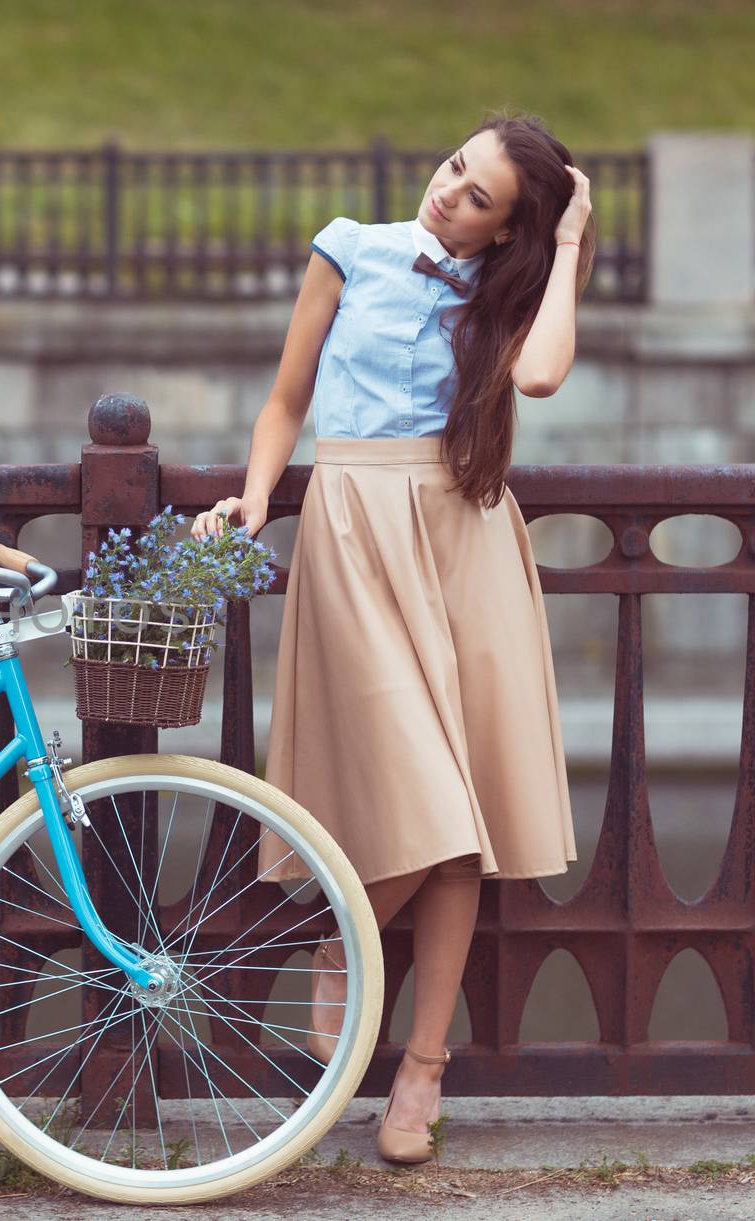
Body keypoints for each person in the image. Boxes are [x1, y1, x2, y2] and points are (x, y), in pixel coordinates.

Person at [190, 111, 592, 1164]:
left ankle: (420, 1072)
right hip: (353, 527)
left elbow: (542, 376)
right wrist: (252, 498)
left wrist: (568, 242)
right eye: (454, 167)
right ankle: (345, 943)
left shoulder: (502, 293)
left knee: (463, 823)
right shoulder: (350, 248)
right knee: (425, 786)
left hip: (462, 531)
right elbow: (286, 399)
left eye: (477, 197)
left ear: (507, 230)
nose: (446, 192)